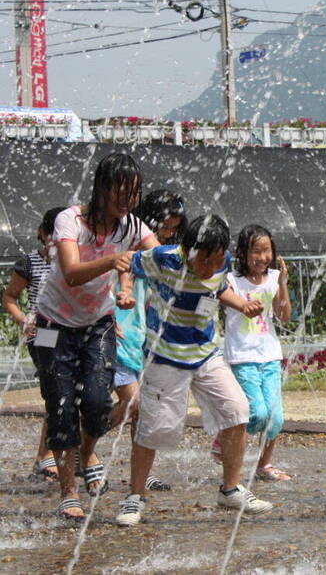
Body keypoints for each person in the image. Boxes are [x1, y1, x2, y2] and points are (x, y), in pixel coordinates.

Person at [115, 215, 273, 527]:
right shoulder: (164, 257)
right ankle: (134, 497)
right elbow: (128, 264)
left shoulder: (221, 260)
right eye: (204, 261)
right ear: (188, 249)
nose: (210, 268)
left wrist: (241, 305)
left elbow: (219, 287)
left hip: (204, 352)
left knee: (238, 410)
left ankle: (230, 489)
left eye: (217, 260)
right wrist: (126, 291)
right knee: (153, 428)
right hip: (165, 356)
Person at [33, 153, 157, 521]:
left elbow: (161, 255)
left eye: (134, 193)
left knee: (100, 405)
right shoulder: (69, 220)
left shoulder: (132, 225)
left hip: (98, 324)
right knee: (60, 405)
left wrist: (196, 259)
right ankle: (68, 490)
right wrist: (115, 261)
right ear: (102, 186)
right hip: (49, 326)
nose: (127, 200)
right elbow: (71, 272)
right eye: (122, 191)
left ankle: (87, 451)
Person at [110, 190, 187, 493]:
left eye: (173, 228)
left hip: (142, 338)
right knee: (134, 403)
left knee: (141, 411)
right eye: (165, 226)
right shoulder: (126, 245)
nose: (168, 234)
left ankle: (141, 474)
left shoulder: (162, 253)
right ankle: (85, 439)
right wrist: (110, 313)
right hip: (117, 334)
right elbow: (119, 280)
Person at [216, 224, 292, 481]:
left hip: (269, 355)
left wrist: (282, 284)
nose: (262, 257)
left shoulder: (273, 279)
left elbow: (284, 315)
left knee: (276, 418)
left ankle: (264, 465)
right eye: (256, 251)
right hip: (242, 357)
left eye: (267, 250)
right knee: (258, 413)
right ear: (243, 253)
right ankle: (224, 436)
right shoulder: (231, 281)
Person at [2, 206, 65, 482]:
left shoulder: (77, 261)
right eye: (52, 234)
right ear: (42, 233)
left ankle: (57, 454)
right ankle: (46, 455)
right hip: (44, 334)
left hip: (74, 332)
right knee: (55, 393)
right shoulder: (30, 263)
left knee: (69, 394)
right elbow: (10, 298)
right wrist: (24, 321)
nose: (56, 240)